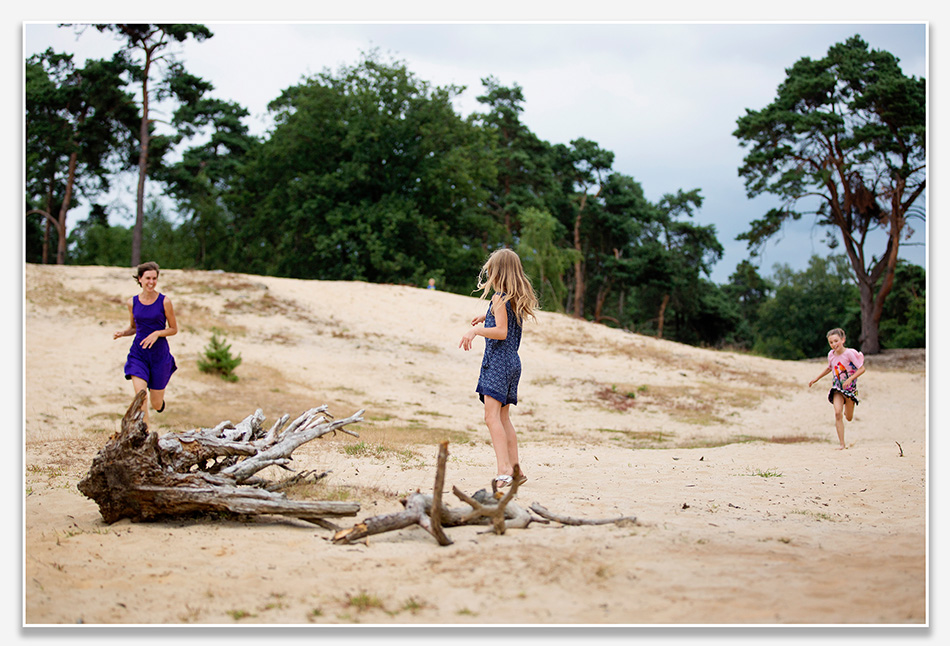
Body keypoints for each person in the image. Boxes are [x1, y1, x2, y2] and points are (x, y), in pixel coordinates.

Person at [459, 248, 538, 488]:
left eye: (490, 270)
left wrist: (476, 330)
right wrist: (485, 318)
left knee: (491, 417)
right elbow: (503, 322)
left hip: (499, 362)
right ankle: (516, 470)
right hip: (512, 363)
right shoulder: (512, 298)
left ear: (497, 272)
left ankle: (503, 470)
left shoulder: (499, 297)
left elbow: (502, 332)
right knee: (503, 418)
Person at [113, 262, 178, 427]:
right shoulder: (132, 303)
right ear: (140, 279)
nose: (151, 282)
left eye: (154, 278)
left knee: (156, 404)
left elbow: (173, 329)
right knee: (141, 395)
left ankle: (160, 404)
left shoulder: (165, 301)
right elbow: (134, 328)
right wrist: (123, 333)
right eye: (148, 278)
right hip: (138, 355)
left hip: (159, 356)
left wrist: (157, 333)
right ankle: (145, 434)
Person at [808, 327, 866, 449]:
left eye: (836, 341)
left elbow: (862, 369)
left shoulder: (849, 353)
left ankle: (848, 407)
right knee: (837, 413)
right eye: (831, 342)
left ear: (843, 340)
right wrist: (817, 378)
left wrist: (850, 379)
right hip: (837, 388)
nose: (834, 344)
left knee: (848, 418)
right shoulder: (831, 355)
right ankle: (842, 444)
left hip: (850, 389)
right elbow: (830, 368)